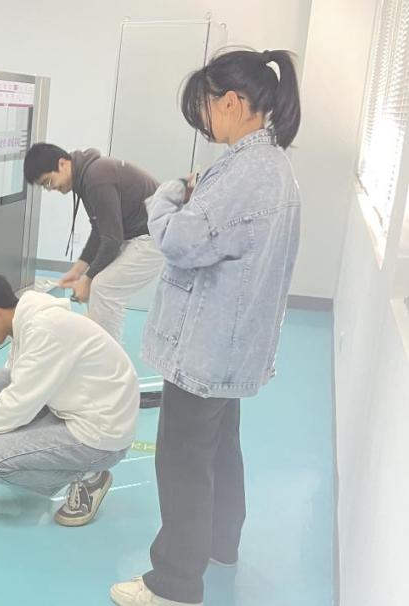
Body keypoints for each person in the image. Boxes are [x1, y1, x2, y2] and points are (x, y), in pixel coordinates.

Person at [110, 49, 302, 606]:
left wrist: (168, 195)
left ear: (233, 102)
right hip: (233, 343)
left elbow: (179, 240)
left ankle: (174, 583)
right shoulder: (273, 167)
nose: (204, 120)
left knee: (182, 461)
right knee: (220, 449)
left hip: (206, 345)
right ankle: (221, 544)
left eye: (206, 107)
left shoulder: (245, 173)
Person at [0, 270, 139, 527]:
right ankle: (30, 456)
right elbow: (12, 392)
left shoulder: (45, 329)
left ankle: (88, 478)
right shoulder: (26, 321)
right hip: (80, 409)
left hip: (100, 435)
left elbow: (19, 404)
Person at [23, 143, 164, 344]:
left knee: (103, 288)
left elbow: (112, 239)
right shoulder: (87, 175)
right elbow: (100, 231)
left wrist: (87, 279)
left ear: (62, 164)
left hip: (155, 236)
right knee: (98, 286)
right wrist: (78, 271)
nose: (51, 188)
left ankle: (106, 355)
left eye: (48, 181)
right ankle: (99, 347)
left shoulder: (96, 178)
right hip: (141, 234)